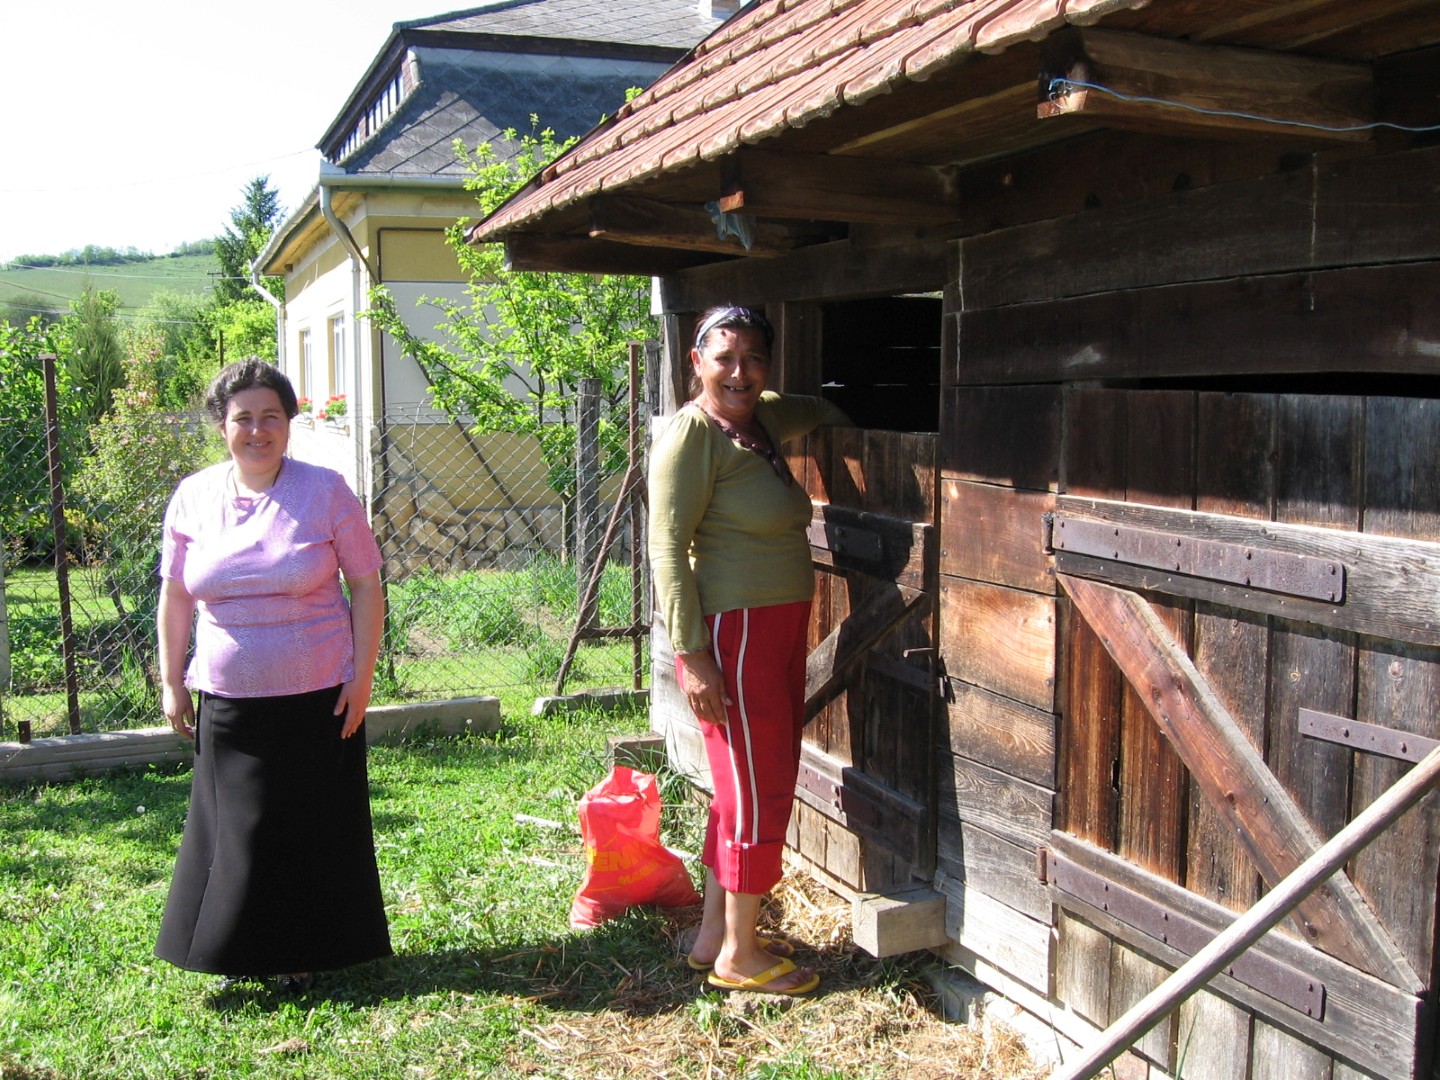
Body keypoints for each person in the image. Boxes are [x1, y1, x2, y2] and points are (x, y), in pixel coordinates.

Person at [154, 358, 391, 994]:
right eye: (243, 418)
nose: (257, 430)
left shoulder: (326, 490)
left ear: (289, 423)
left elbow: (367, 586)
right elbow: (176, 595)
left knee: (306, 827)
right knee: (236, 832)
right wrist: (172, 680)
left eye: (271, 417)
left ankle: (304, 950)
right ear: (221, 426)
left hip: (319, 697)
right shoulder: (193, 496)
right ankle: (236, 948)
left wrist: (361, 677)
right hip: (227, 698)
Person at [648, 305, 850, 996]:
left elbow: (813, 408)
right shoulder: (692, 436)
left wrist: (857, 412)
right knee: (757, 790)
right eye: (725, 357)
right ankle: (741, 954)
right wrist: (693, 654)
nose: (740, 372)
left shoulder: (756, 421)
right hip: (733, 635)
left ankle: (714, 937)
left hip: (774, 629)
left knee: (743, 785)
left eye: (754, 358)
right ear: (695, 362)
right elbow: (666, 551)